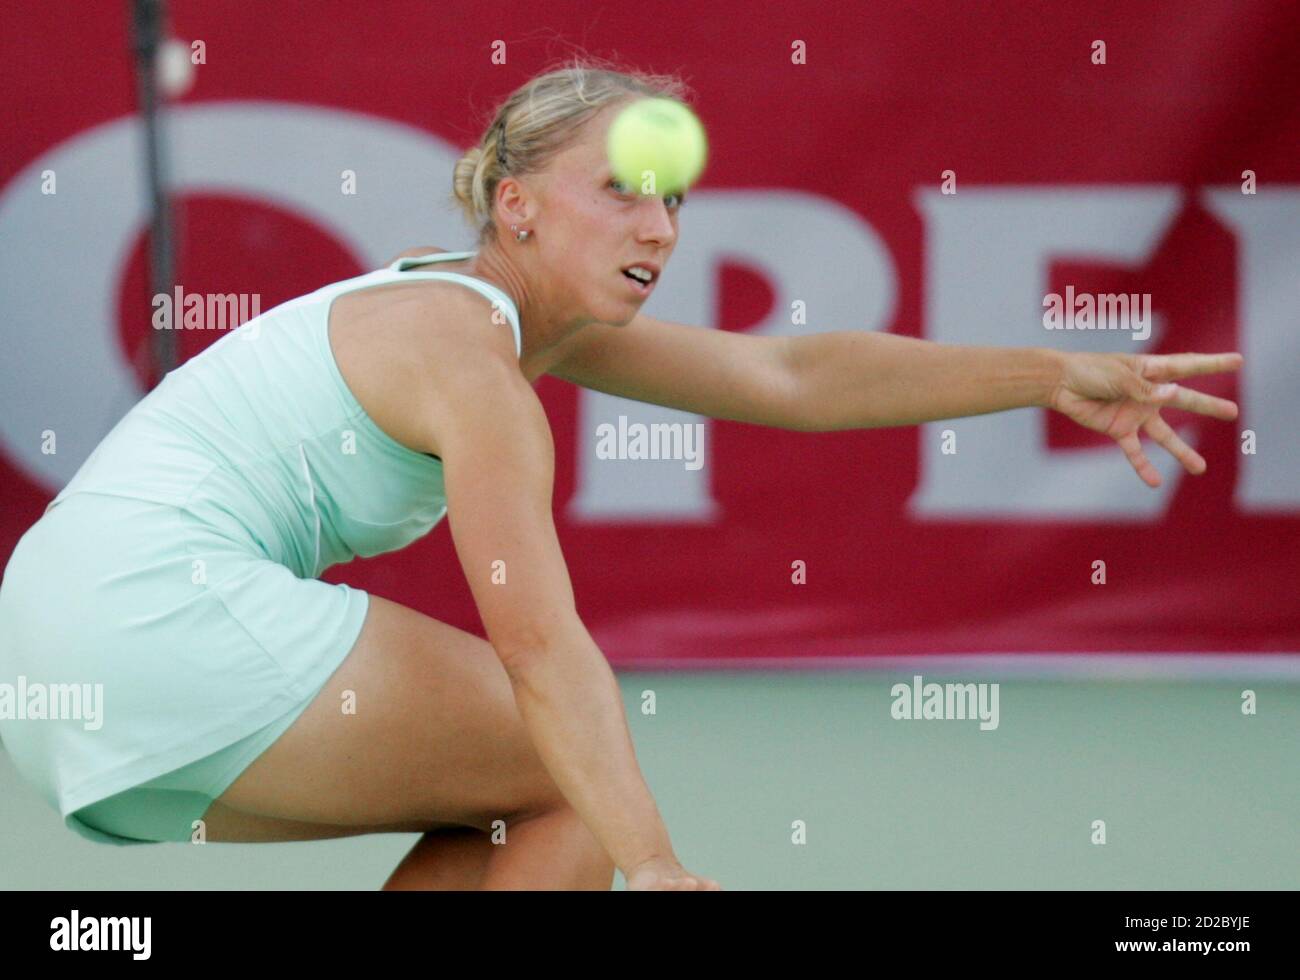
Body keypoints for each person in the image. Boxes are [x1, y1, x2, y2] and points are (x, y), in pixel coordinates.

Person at [0, 60, 1241, 891]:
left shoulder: (484, 313)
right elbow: (545, 650)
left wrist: (1042, 372)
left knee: (518, 797)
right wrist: (652, 864)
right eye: (621, 193)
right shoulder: (470, 361)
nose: (658, 228)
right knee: (574, 779)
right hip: (153, 613)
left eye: (675, 198)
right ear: (518, 202)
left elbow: (794, 378)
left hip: (50, 649)